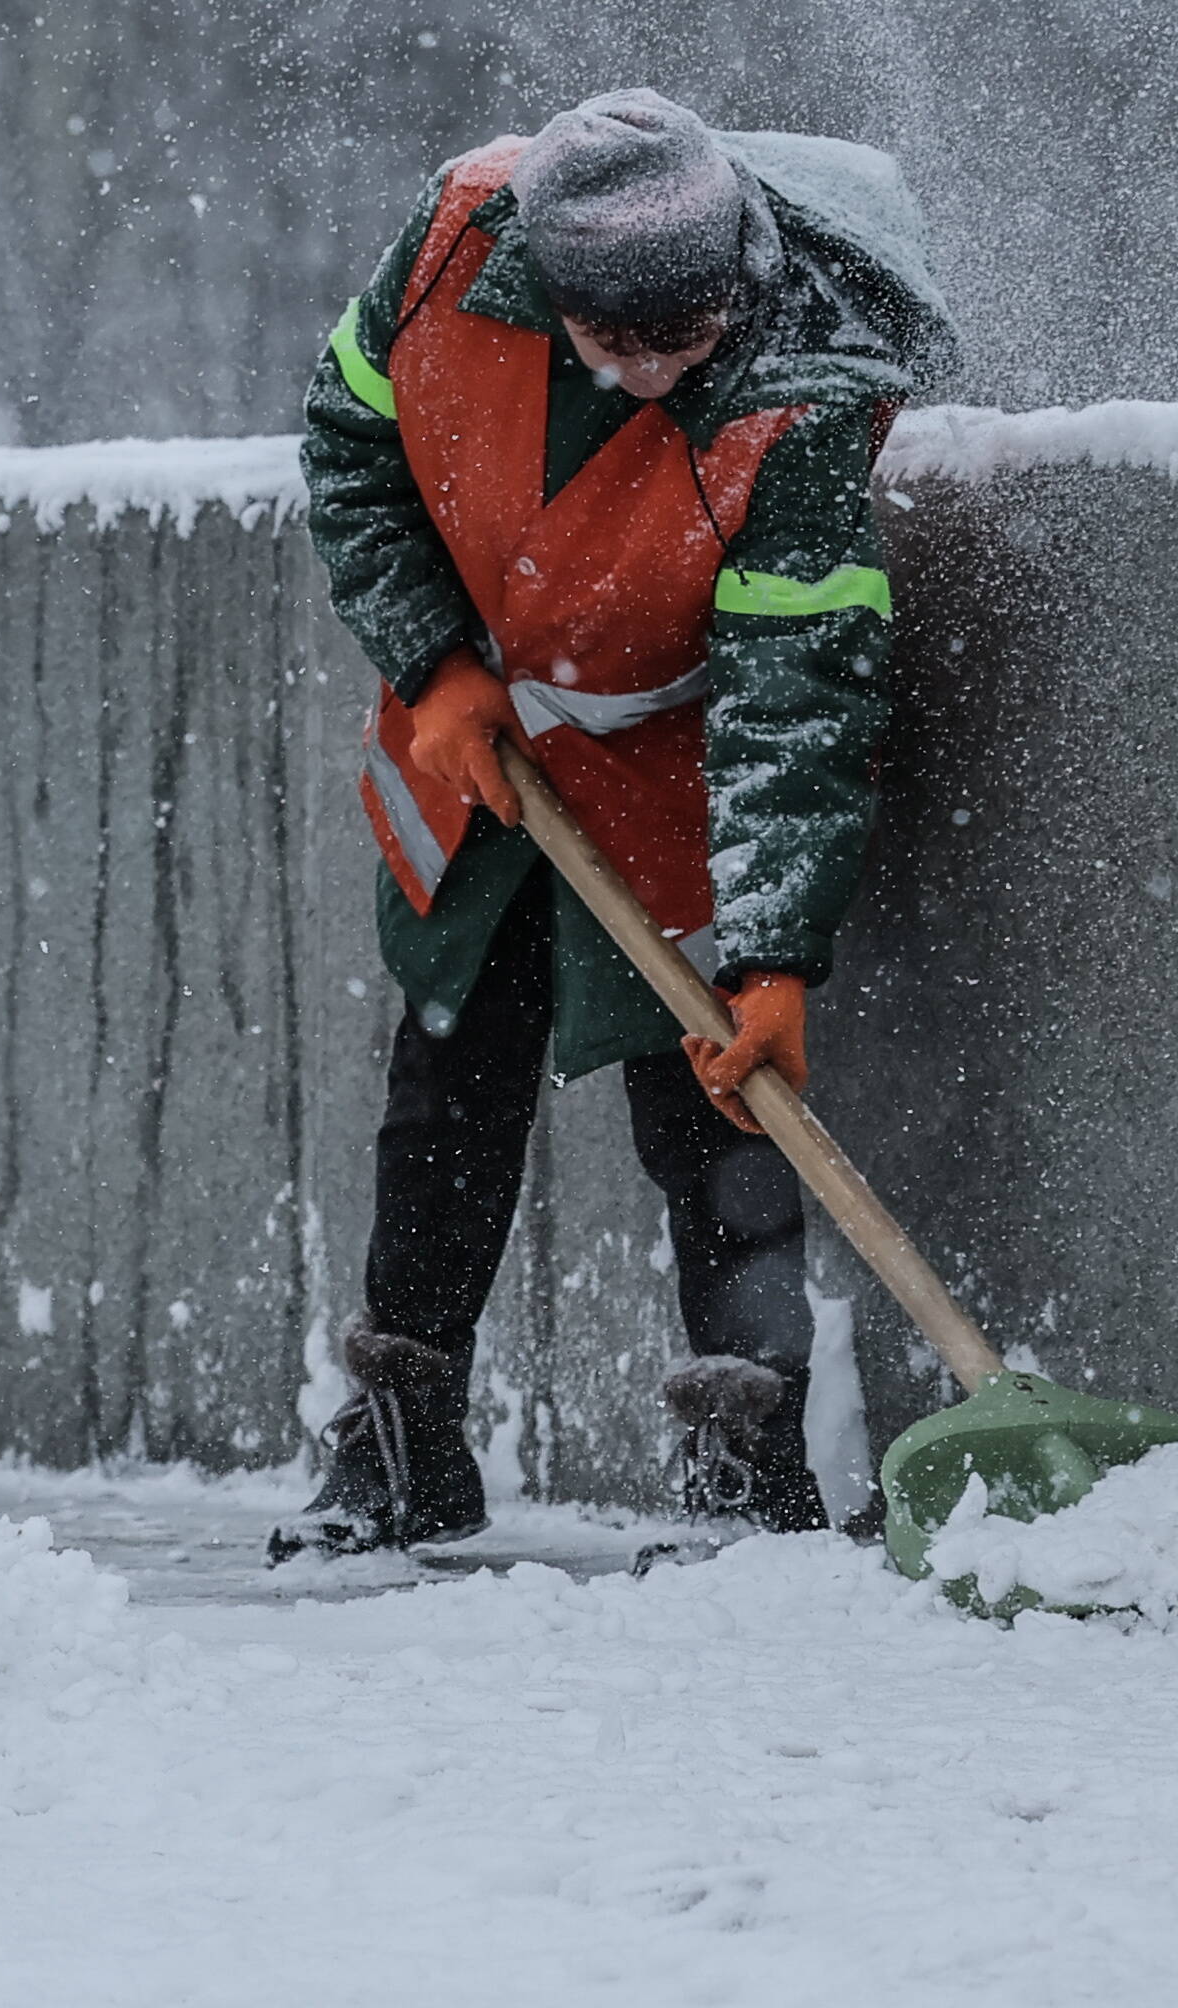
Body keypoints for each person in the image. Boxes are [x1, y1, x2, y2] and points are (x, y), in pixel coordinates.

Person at [277, 89, 955, 1554]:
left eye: (689, 339)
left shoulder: (809, 393)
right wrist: (433, 661)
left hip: (676, 787)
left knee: (713, 1119)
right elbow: (349, 443)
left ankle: (748, 1466)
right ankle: (399, 1444)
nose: (655, 374)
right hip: (489, 767)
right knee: (447, 1098)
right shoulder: (459, 246)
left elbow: (798, 680)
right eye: (617, 344)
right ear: (549, 285)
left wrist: (776, 950)